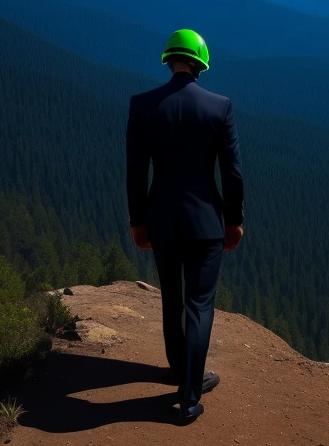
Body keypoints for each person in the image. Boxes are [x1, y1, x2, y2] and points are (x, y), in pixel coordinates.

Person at [125, 28, 245, 425]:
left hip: (160, 219)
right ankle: (189, 397)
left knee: (172, 300)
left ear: (169, 59)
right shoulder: (219, 106)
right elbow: (233, 173)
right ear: (200, 62)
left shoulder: (141, 105)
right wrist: (234, 221)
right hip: (206, 223)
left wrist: (138, 222)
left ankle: (179, 371)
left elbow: (135, 172)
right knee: (199, 304)